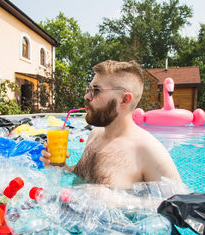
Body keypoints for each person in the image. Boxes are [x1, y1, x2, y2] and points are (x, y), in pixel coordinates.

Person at [40, 60, 181, 189]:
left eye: (95, 90)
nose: (86, 96)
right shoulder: (95, 134)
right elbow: (82, 178)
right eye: (88, 90)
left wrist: (119, 200)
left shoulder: (149, 150)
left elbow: (181, 205)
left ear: (124, 99)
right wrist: (61, 167)